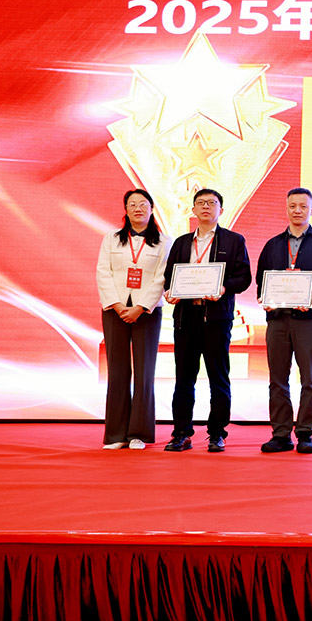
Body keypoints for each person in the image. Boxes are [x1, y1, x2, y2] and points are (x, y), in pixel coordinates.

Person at [162, 188, 252, 453]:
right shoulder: (181, 243)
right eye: (200, 203)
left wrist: (223, 288)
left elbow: (244, 277)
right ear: (193, 210)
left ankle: (217, 433)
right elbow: (169, 276)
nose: (205, 207)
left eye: (211, 203)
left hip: (216, 319)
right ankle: (181, 433)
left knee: (218, 378)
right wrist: (170, 291)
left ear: (220, 210)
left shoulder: (233, 241)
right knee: (184, 378)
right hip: (186, 318)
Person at [255, 188, 312, 455]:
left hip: (307, 320)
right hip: (277, 320)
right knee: (277, 379)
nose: (297, 210)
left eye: (303, 206)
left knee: (309, 379)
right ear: (286, 209)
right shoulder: (273, 244)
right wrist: (265, 297)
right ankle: (280, 434)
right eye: (292, 206)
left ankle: (305, 432)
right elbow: (261, 279)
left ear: (311, 210)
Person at [95, 189, 170, 450]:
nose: (138, 208)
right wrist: (117, 305)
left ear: (151, 209)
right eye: (132, 204)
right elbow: (103, 272)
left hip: (147, 312)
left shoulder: (164, 242)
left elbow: (161, 278)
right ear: (125, 210)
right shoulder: (111, 238)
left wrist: (140, 307)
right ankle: (116, 434)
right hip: (114, 310)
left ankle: (139, 433)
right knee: (117, 371)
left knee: (144, 371)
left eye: (143, 204)